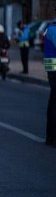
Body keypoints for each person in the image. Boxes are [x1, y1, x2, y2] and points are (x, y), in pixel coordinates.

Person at [43, 16, 56, 146]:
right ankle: (51, 137)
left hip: (51, 65)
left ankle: (50, 137)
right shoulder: (53, 29)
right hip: (54, 66)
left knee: (53, 99)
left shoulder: (50, 27)